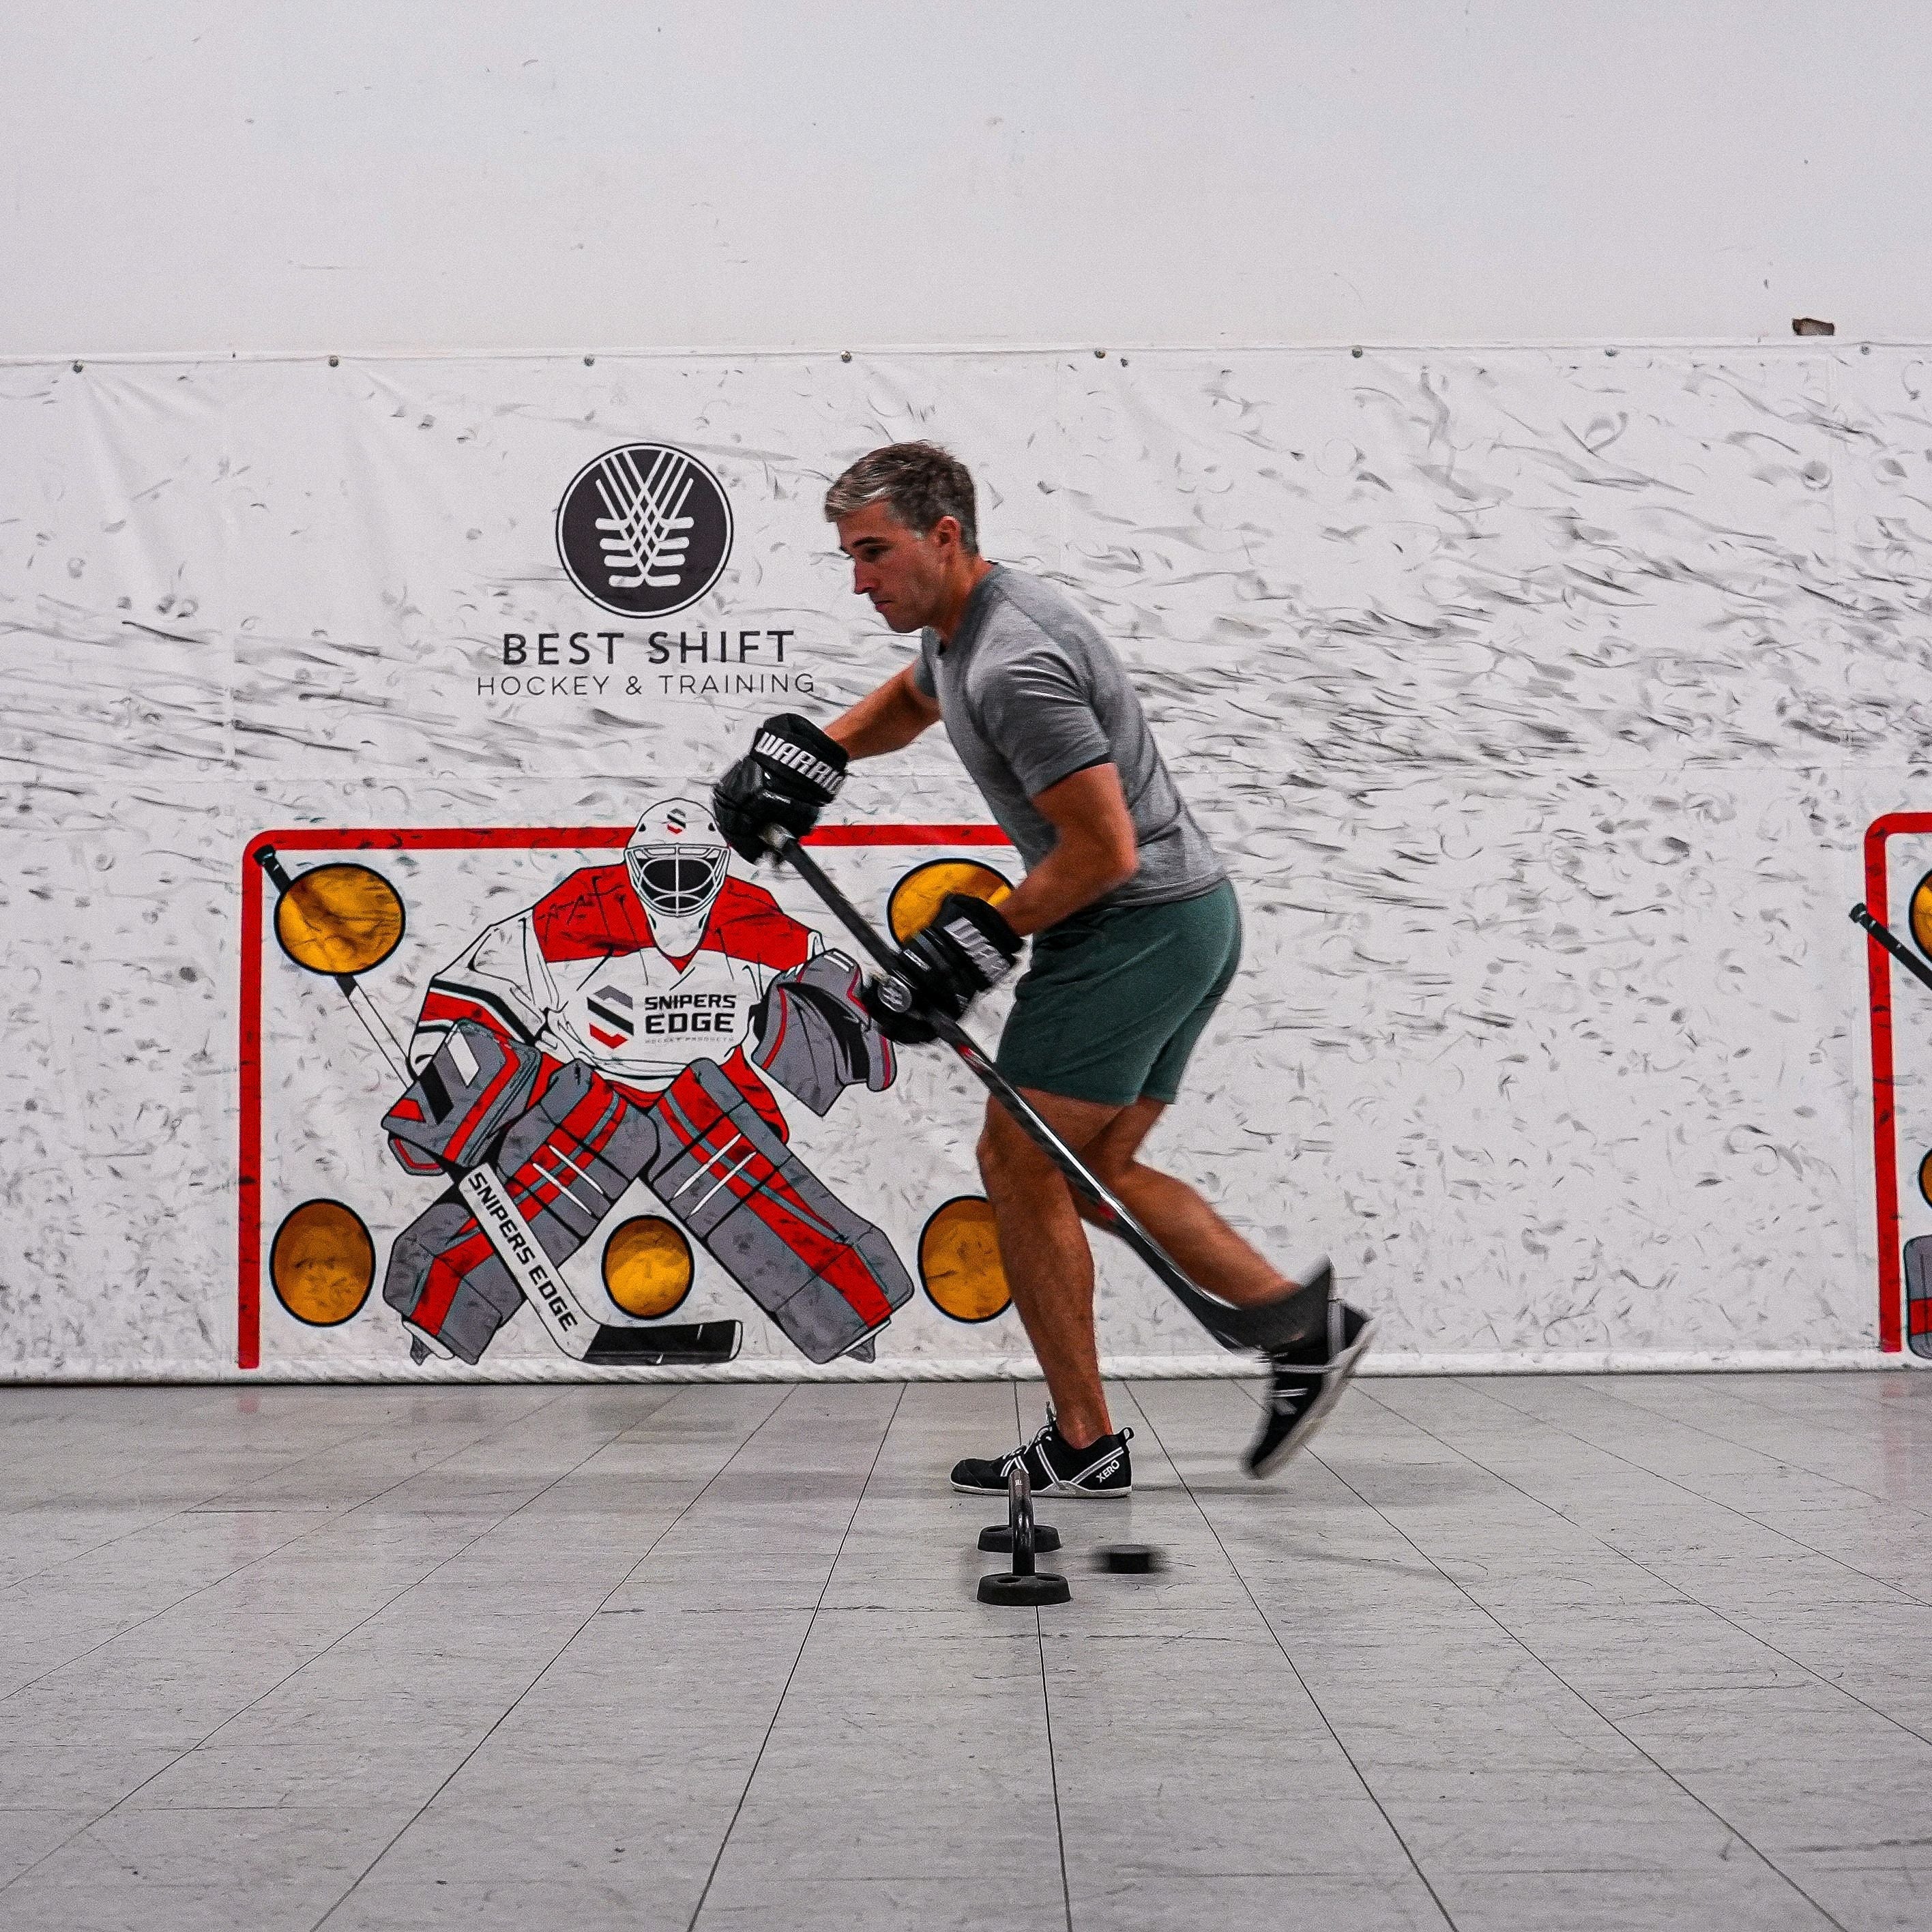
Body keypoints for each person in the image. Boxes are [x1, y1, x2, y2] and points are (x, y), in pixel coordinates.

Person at [713, 441, 1372, 1490]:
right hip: (1188, 919)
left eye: (874, 552)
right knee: (1090, 1173)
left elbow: (1102, 849)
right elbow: (921, 697)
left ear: (945, 536)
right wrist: (823, 751)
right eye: (848, 556)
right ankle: (1304, 1330)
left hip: (1131, 927)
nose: (858, 579)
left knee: (1018, 1167)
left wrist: (975, 941)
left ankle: (1082, 1442)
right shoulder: (966, 626)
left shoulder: (1017, 663)